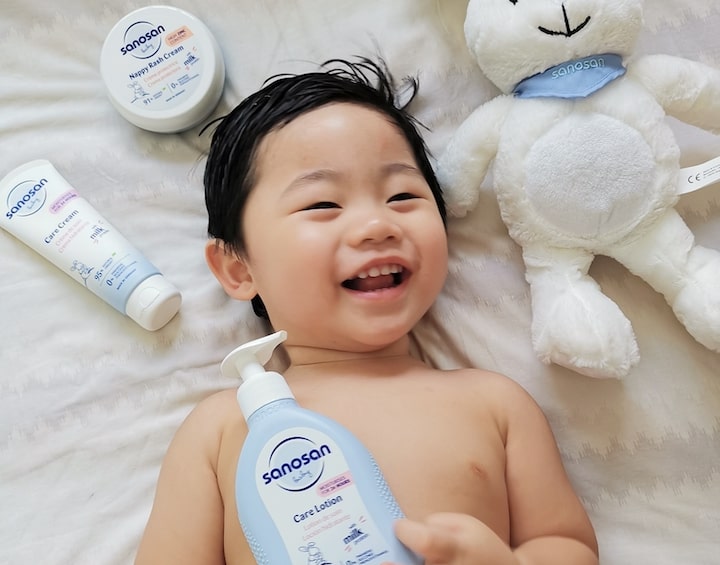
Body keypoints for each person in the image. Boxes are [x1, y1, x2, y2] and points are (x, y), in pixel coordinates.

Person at [134, 58, 599, 565]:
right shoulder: (221, 430)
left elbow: (567, 544)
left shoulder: (495, 405)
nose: (377, 225)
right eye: (322, 205)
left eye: (402, 195)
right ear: (239, 269)